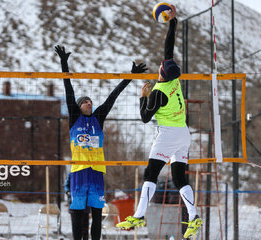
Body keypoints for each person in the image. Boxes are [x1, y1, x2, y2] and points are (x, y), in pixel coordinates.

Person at [116, 5, 203, 239]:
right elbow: (169, 47)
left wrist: (142, 98)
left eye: (159, 68)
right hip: (184, 134)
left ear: (162, 73)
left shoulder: (158, 92)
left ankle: (139, 214)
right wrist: (172, 22)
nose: (158, 66)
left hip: (168, 135)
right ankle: (194, 216)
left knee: (150, 174)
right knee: (179, 178)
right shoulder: (174, 80)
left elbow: (145, 118)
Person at [55, 45, 147, 240]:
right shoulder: (74, 117)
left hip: (97, 172)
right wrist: (64, 63)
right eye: (85, 102)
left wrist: (130, 76)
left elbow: (113, 96)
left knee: (97, 214)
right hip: (79, 172)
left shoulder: (98, 118)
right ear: (79, 107)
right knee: (78, 214)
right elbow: (68, 89)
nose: (89, 103)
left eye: (90, 101)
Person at [64, 173, 89, 240]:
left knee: (84, 228)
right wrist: (68, 192)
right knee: (76, 227)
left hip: (85, 204)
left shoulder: (86, 174)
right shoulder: (71, 174)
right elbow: (66, 186)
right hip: (74, 203)